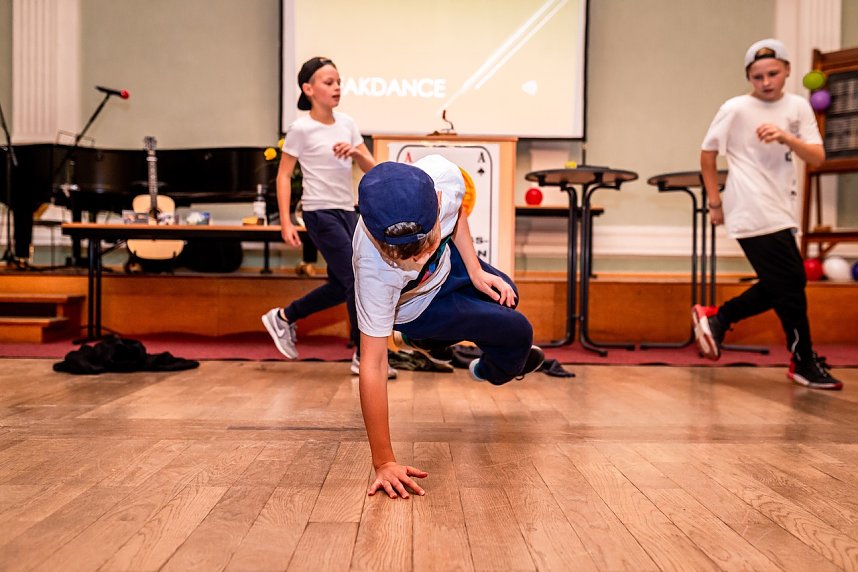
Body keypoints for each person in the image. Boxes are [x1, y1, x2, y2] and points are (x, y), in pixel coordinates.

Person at [353, 155, 545, 498]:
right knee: (519, 330)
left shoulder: (442, 178)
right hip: (418, 307)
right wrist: (384, 462)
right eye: (402, 255)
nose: (417, 259)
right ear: (372, 231)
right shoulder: (372, 268)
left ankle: (458, 352)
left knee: (509, 294)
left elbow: (457, 215)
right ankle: (468, 359)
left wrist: (475, 271)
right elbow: (373, 363)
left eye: (424, 244)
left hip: (452, 265)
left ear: (437, 200)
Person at [694, 38, 843, 390]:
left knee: (788, 283)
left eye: (773, 73)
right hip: (749, 205)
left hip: (782, 208)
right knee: (790, 285)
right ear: (749, 77)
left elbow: (817, 158)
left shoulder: (798, 107)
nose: (766, 82)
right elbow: (707, 154)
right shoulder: (735, 108)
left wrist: (786, 138)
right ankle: (802, 360)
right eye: (757, 76)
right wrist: (716, 203)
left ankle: (718, 316)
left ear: (787, 70)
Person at [261, 56, 395, 379]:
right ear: (308, 89)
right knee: (356, 278)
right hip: (319, 212)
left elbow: (373, 169)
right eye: (328, 82)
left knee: (340, 285)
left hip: (348, 211)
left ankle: (283, 317)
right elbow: (283, 176)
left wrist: (358, 153)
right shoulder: (300, 129)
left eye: (338, 81)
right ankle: (364, 356)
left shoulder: (347, 124)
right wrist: (285, 221)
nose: (336, 87)